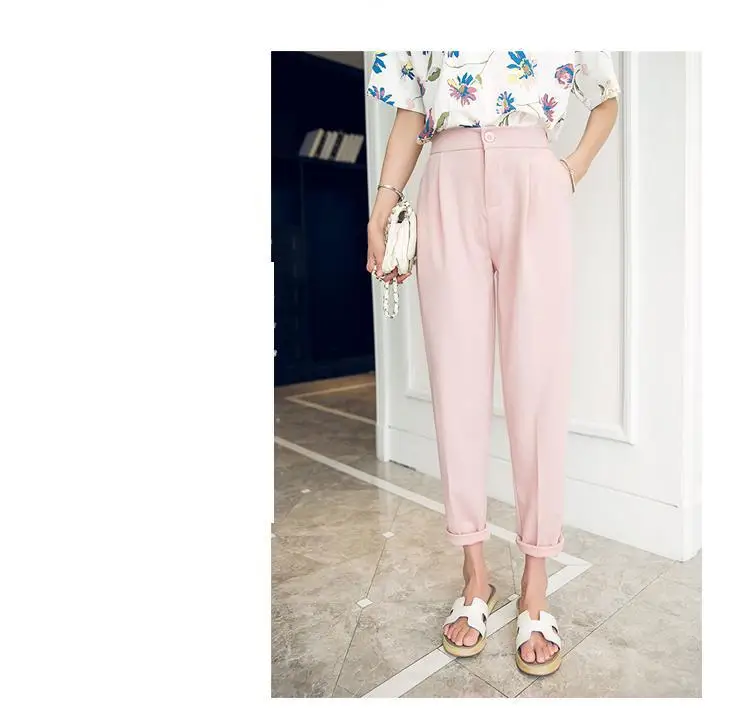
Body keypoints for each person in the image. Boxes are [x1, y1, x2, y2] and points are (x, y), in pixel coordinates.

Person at [365, 50, 620, 676]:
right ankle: (475, 576)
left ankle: (536, 584)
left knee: (538, 385)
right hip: (445, 178)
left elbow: (606, 96)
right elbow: (412, 109)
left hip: (534, 177)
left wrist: (571, 168)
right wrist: (383, 204)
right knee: (455, 384)